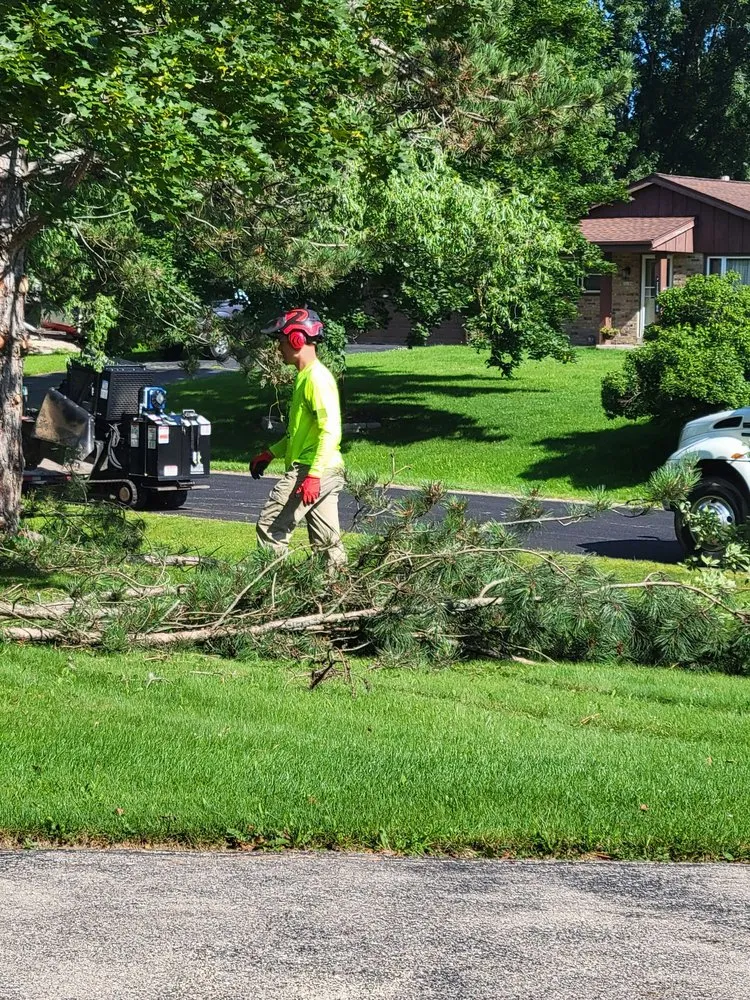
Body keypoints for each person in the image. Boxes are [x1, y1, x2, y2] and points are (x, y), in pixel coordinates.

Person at [249, 308, 346, 567]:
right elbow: (300, 434)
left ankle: (270, 595)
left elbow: (331, 430)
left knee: (271, 528)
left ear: (297, 339)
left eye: (281, 341)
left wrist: (313, 476)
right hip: (327, 468)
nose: (278, 348)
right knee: (328, 544)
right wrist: (270, 453)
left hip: (313, 469)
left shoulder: (316, 379)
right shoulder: (306, 377)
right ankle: (339, 595)